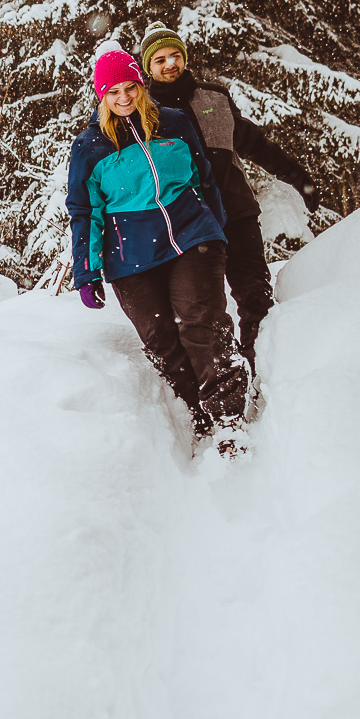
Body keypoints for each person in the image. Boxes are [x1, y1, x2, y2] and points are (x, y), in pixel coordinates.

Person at [67, 43, 248, 434]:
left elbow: (203, 177)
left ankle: (230, 420)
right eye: (113, 92)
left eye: (130, 87)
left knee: (202, 322)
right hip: (129, 255)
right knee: (161, 339)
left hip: (190, 235)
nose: (124, 97)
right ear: (101, 96)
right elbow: (84, 212)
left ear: (141, 84)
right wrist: (87, 271)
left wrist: (215, 228)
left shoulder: (175, 122)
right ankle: (196, 416)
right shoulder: (89, 146)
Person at [136, 25, 320, 368]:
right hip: (189, 227)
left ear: (184, 57)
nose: (169, 64)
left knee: (255, 297)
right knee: (203, 311)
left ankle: (263, 371)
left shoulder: (215, 98)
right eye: (159, 60)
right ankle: (224, 379)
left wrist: (298, 177)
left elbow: (255, 144)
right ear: (149, 68)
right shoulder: (143, 112)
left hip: (236, 215)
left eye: (175, 55)